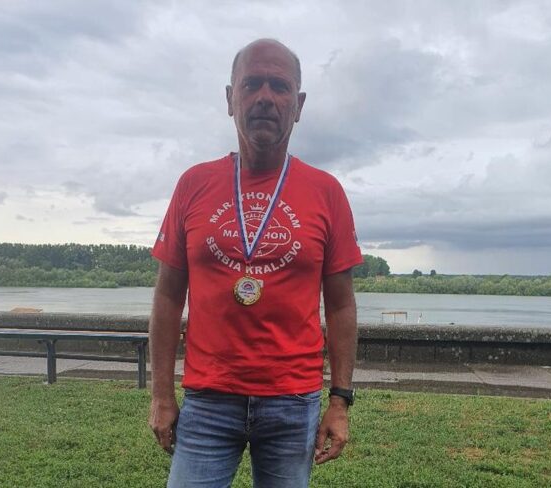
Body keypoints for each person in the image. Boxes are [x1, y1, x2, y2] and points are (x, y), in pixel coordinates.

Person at [148, 38, 363, 488]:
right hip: (208, 399)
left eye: (280, 87)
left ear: (298, 105)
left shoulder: (326, 192)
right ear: (231, 99)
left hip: (293, 400)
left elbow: (342, 305)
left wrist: (339, 401)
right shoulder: (193, 184)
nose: (266, 97)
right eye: (252, 84)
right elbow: (168, 296)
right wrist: (161, 394)